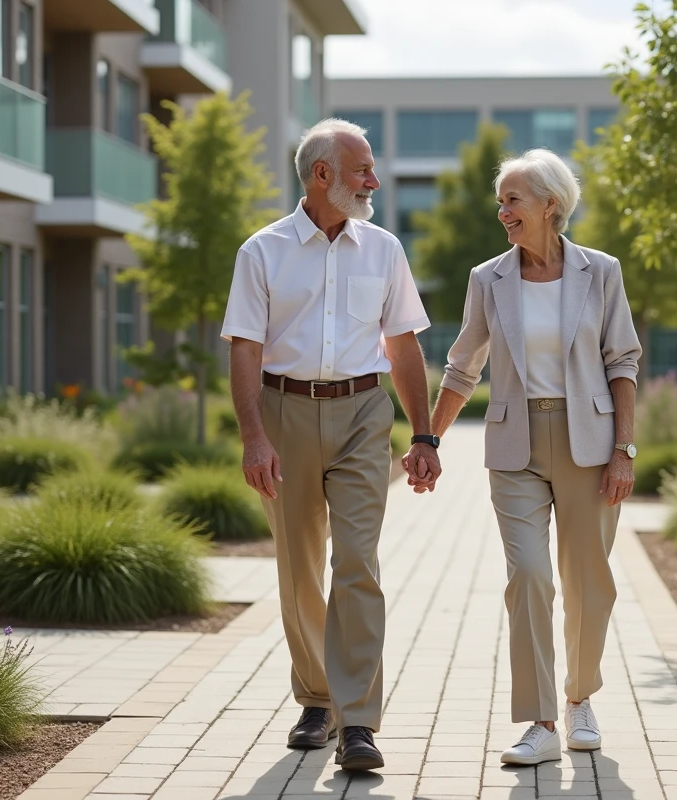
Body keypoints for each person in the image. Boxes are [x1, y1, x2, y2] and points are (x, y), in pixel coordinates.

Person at [223, 118, 442, 772]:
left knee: (357, 561)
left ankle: (358, 722)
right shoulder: (260, 252)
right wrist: (254, 437)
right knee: (299, 567)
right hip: (283, 411)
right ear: (322, 176)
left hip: (361, 415)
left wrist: (424, 433)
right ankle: (316, 697)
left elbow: (402, 346)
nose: (373, 181)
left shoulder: (383, 250)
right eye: (361, 171)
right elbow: (245, 349)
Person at [417, 148, 642, 765]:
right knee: (531, 577)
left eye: (513, 200)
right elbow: (463, 366)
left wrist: (624, 450)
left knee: (589, 582)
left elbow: (621, 361)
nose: (502, 211)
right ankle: (541, 720)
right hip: (515, 444)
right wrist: (427, 439)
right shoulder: (488, 278)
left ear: (551, 204)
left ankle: (580, 698)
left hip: (589, 444)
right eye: (501, 200)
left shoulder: (602, 271)